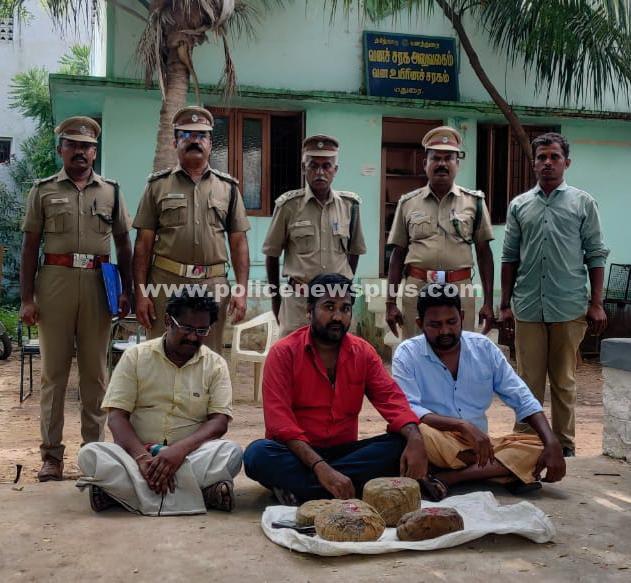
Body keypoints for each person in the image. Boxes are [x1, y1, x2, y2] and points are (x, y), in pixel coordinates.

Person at [243, 273, 428, 505]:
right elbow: (280, 424)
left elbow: (392, 400)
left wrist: (415, 438)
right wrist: (320, 467)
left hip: (345, 451)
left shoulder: (363, 353)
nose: (337, 317)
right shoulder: (283, 353)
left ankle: (303, 489)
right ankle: (337, 484)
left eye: (345, 309)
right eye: (329, 307)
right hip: (296, 453)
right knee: (257, 455)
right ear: (309, 311)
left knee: (400, 444)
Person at [20, 116, 133, 482]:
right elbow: (29, 246)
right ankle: (51, 456)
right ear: (61, 150)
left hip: (99, 283)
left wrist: (128, 290)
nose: (80, 151)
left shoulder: (111, 192)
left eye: (87, 146)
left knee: (95, 374)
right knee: (53, 374)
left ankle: (93, 453)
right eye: (73, 145)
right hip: (55, 282)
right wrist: (27, 298)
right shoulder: (43, 191)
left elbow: (124, 244)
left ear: (94, 152)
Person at [392, 283, 566, 500]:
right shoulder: (407, 354)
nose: (445, 331)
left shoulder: (483, 348)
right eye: (435, 325)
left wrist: (552, 442)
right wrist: (461, 425)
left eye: (451, 322)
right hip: (437, 439)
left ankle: (449, 477)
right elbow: (408, 408)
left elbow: (521, 396)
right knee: (415, 434)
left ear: (462, 317)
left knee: (541, 446)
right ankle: (499, 471)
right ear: (420, 324)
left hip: (479, 444)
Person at [76, 291, 242, 515]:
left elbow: (219, 422)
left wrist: (178, 452)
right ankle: (198, 493)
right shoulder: (135, 357)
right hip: (137, 455)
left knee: (231, 453)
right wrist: (143, 458)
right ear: (167, 321)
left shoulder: (216, 365)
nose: (193, 337)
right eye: (187, 328)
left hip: (189, 456)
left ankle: (122, 494)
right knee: (90, 454)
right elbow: (116, 417)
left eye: (201, 331)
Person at [500, 132, 609, 457]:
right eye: (542, 157)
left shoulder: (583, 203)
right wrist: (504, 305)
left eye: (554, 157)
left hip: (569, 305)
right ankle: (525, 444)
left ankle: (564, 446)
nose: (548, 163)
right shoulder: (520, 205)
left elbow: (595, 255)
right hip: (528, 306)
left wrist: (596, 303)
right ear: (533, 163)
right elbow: (509, 257)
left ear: (566, 162)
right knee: (528, 381)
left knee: (563, 381)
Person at [133, 106, 251, 354]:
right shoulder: (157, 186)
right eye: (186, 135)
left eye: (201, 135)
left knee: (208, 356)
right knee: (161, 354)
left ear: (210, 143)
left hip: (213, 285)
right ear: (175, 142)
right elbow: (143, 244)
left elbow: (239, 243)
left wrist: (241, 290)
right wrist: (141, 293)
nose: (194, 141)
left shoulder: (228, 188)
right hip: (165, 284)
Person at [386, 126, 495, 339]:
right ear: (425, 164)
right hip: (417, 287)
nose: (442, 164)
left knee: (460, 347)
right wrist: (390, 302)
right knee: (415, 348)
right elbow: (397, 255)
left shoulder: (474, 202)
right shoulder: (408, 202)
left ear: (457, 164)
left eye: (448, 158)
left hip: (460, 288)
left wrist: (489, 303)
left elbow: (484, 254)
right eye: (436, 158)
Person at [262, 135, 367, 337]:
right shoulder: (288, 206)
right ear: (304, 168)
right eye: (313, 166)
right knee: (293, 351)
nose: (320, 172)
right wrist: (276, 300)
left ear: (335, 170)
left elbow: (354, 251)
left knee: (337, 353)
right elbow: (272, 255)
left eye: (326, 166)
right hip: (299, 303)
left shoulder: (349, 205)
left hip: (337, 303)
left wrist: (343, 285)